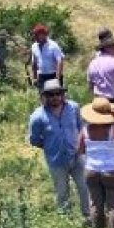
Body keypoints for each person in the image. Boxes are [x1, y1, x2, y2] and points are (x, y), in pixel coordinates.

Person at [27, 79, 89, 220]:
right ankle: (65, 221)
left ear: (62, 94)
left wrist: (81, 147)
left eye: (57, 94)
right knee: (62, 191)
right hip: (56, 160)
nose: (55, 97)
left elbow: (81, 127)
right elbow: (34, 139)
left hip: (77, 155)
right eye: (50, 94)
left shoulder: (73, 108)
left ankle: (89, 216)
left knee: (84, 187)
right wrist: (49, 147)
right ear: (44, 96)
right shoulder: (37, 116)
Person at [77, 96, 114, 228]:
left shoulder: (85, 130)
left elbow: (80, 150)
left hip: (92, 170)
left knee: (95, 203)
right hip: (113, 169)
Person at [29, 24, 64, 91]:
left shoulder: (53, 45)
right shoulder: (34, 46)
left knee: (55, 96)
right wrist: (35, 78)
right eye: (34, 35)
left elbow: (60, 61)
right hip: (41, 76)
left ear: (43, 35)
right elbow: (34, 63)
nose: (35, 37)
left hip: (53, 75)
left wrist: (57, 78)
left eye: (36, 35)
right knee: (43, 96)